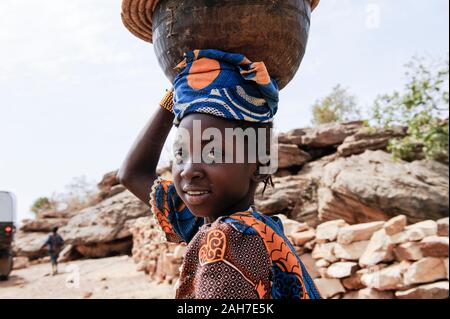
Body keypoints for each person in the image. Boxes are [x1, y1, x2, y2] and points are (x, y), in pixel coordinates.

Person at [119, 49, 321, 299]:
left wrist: (182, 90)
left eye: (213, 153)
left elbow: (131, 174)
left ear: (260, 164)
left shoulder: (229, 239)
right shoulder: (221, 225)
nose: (189, 169)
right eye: (180, 154)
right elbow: (131, 174)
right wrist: (182, 90)